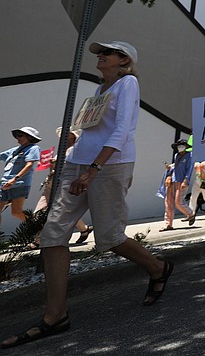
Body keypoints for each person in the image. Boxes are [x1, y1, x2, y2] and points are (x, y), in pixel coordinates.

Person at [1, 41, 173, 350]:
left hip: (108, 166)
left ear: (124, 59)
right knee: (52, 235)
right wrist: (74, 156)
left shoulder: (128, 83)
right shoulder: (99, 90)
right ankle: (55, 316)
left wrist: (93, 169)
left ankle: (158, 268)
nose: (100, 56)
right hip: (77, 163)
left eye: (107, 52)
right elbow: (90, 130)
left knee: (109, 238)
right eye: (99, 52)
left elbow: (122, 131)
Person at [31, 128, 91, 250]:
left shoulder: (76, 150)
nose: (65, 139)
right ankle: (84, 229)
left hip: (63, 186)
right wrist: (51, 165)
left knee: (61, 212)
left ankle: (39, 240)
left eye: (68, 137)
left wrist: (57, 163)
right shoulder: (61, 151)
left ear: (74, 138)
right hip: (51, 185)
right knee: (39, 213)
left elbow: (74, 168)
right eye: (63, 137)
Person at [0, 126, 41, 226]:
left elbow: (29, 165)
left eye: (20, 135)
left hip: (19, 184)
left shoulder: (33, 148)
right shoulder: (14, 150)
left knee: (16, 212)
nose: (17, 138)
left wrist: (14, 179)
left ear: (29, 137)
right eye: (17, 135)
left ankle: (35, 227)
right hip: (4, 183)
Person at [161, 139, 193, 230]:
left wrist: (185, 180)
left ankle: (190, 213)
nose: (180, 147)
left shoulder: (190, 156)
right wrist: (170, 167)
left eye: (182, 145)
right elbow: (175, 166)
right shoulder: (177, 155)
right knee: (168, 202)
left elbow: (189, 169)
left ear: (186, 146)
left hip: (181, 181)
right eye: (179, 145)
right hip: (173, 180)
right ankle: (168, 224)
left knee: (179, 202)